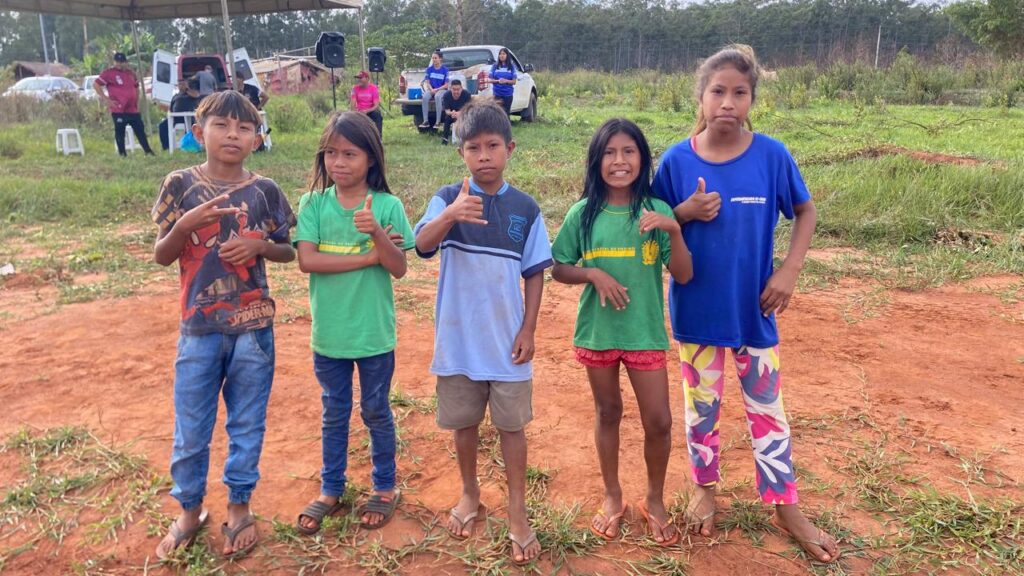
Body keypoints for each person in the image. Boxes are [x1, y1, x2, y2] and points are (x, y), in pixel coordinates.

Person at [652, 44, 840, 564]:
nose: (728, 102)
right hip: (697, 313)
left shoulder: (772, 156)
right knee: (701, 409)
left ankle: (784, 504)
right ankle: (704, 488)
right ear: (701, 97)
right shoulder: (676, 161)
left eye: (739, 92)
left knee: (767, 411)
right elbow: (652, 230)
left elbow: (805, 211)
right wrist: (684, 212)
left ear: (752, 98)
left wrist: (789, 271)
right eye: (718, 91)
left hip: (755, 311)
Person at [151, 90, 296, 560]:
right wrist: (183, 225)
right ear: (198, 134)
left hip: (254, 327)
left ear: (257, 138)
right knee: (191, 427)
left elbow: (287, 249)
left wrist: (260, 247)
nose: (233, 134)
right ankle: (190, 510)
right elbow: (161, 255)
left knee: (247, 422)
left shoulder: (265, 190)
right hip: (197, 328)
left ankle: (239, 505)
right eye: (221, 125)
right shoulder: (180, 185)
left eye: (244, 127)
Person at [414, 99, 552, 565]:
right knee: (464, 425)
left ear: (510, 148)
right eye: (473, 147)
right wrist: (451, 213)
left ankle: (517, 511)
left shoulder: (525, 208)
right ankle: (470, 493)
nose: (484, 155)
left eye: (493, 145)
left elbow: (535, 273)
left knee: (512, 428)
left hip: (508, 344)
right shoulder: (445, 198)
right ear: (461, 154)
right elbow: (421, 245)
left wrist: (529, 328)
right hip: (458, 343)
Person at [550, 118, 693, 546]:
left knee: (660, 421)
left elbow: (683, 275)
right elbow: (558, 267)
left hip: (644, 333)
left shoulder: (657, 212)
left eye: (629, 151)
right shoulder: (583, 213)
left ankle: (654, 498)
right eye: (609, 153)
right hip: (598, 333)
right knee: (607, 413)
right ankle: (613, 497)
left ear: (643, 159)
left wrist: (675, 229)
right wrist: (592, 273)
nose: (619, 161)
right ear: (597, 161)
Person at [292, 112, 415, 535]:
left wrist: (378, 233)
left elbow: (398, 268)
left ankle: (384, 486)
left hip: (374, 335)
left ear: (371, 159)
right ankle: (331, 488)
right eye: (331, 153)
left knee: (377, 411)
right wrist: (368, 256)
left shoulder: (388, 206)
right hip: (329, 335)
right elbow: (308, 261)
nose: (339, 163)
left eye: (350, 154)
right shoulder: (313, 204)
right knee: (334, 412)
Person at [94, 52, 155, 156]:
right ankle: (122, 153)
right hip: (118, 108)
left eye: (122, 62)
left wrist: (137, 101)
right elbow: (96, 84)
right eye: (117, 62)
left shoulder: (130, 73)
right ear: (114, 62)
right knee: (120, 132)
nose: (119, 64)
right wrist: (106, 99)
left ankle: (148, 151)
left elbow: (136, 87)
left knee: (140, 130)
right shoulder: (109, 73)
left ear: (126, 62)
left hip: (132, 108)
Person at [159, 79, 200, 151]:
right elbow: (171, 108)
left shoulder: (191, 94)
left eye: (183, 84)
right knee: (162, 126)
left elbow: (196, 95)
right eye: (180, 84)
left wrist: (187, 89)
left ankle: (189, 145)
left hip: (188, 117)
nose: (181, 86)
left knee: (190, 128)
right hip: (175, 117)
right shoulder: (176, 96)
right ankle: (166, 147)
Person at [419, 51, 449, 129]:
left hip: (442, 89)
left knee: (438, 97)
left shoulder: (445, 70)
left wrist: (437, 89)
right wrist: (431, 89)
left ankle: (438, 122)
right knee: (425, 97)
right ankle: (425, 121)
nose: (434, 60)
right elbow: (427, 82)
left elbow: (446, 85)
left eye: (436, 58)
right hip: (432, 89)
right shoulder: (429, 69)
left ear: (440, 59)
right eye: (433, 58)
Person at [350, 70, 383, 136]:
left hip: (370, 111)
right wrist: (355, 113)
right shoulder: (355, 89)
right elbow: (353, 104)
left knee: (378, 115)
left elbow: (376, 105)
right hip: (359, 111)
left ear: (367, 78)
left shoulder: (373, 88)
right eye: (358, 78)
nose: (359, 80)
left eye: (361, 78)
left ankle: (378, 137)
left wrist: (367, 111)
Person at [439, 78, 470, 145]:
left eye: (458, 89)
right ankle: (445, 139)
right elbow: (447, 110)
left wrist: (459, 113)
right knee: (447, 118)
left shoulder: (467, 94)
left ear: (461, 88)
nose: (456, 92)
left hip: (463, 114)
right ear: (450, 88)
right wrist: (452, 113)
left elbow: (468, 109)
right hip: (451, 114)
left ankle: (467, 139)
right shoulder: (446, 95)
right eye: (454, 89)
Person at [489, 48, 517, 117]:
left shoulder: (511, 67)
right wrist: (498, 81)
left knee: (506, 114)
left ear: (507, 55)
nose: (502, 55)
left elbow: (514, 81)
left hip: (508, 94)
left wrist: (506, 81)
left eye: (503, 54)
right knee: (497, 113)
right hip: (497, 94)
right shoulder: (495, 66)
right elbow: (490, 80)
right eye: (500, 54)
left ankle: (506, 127)